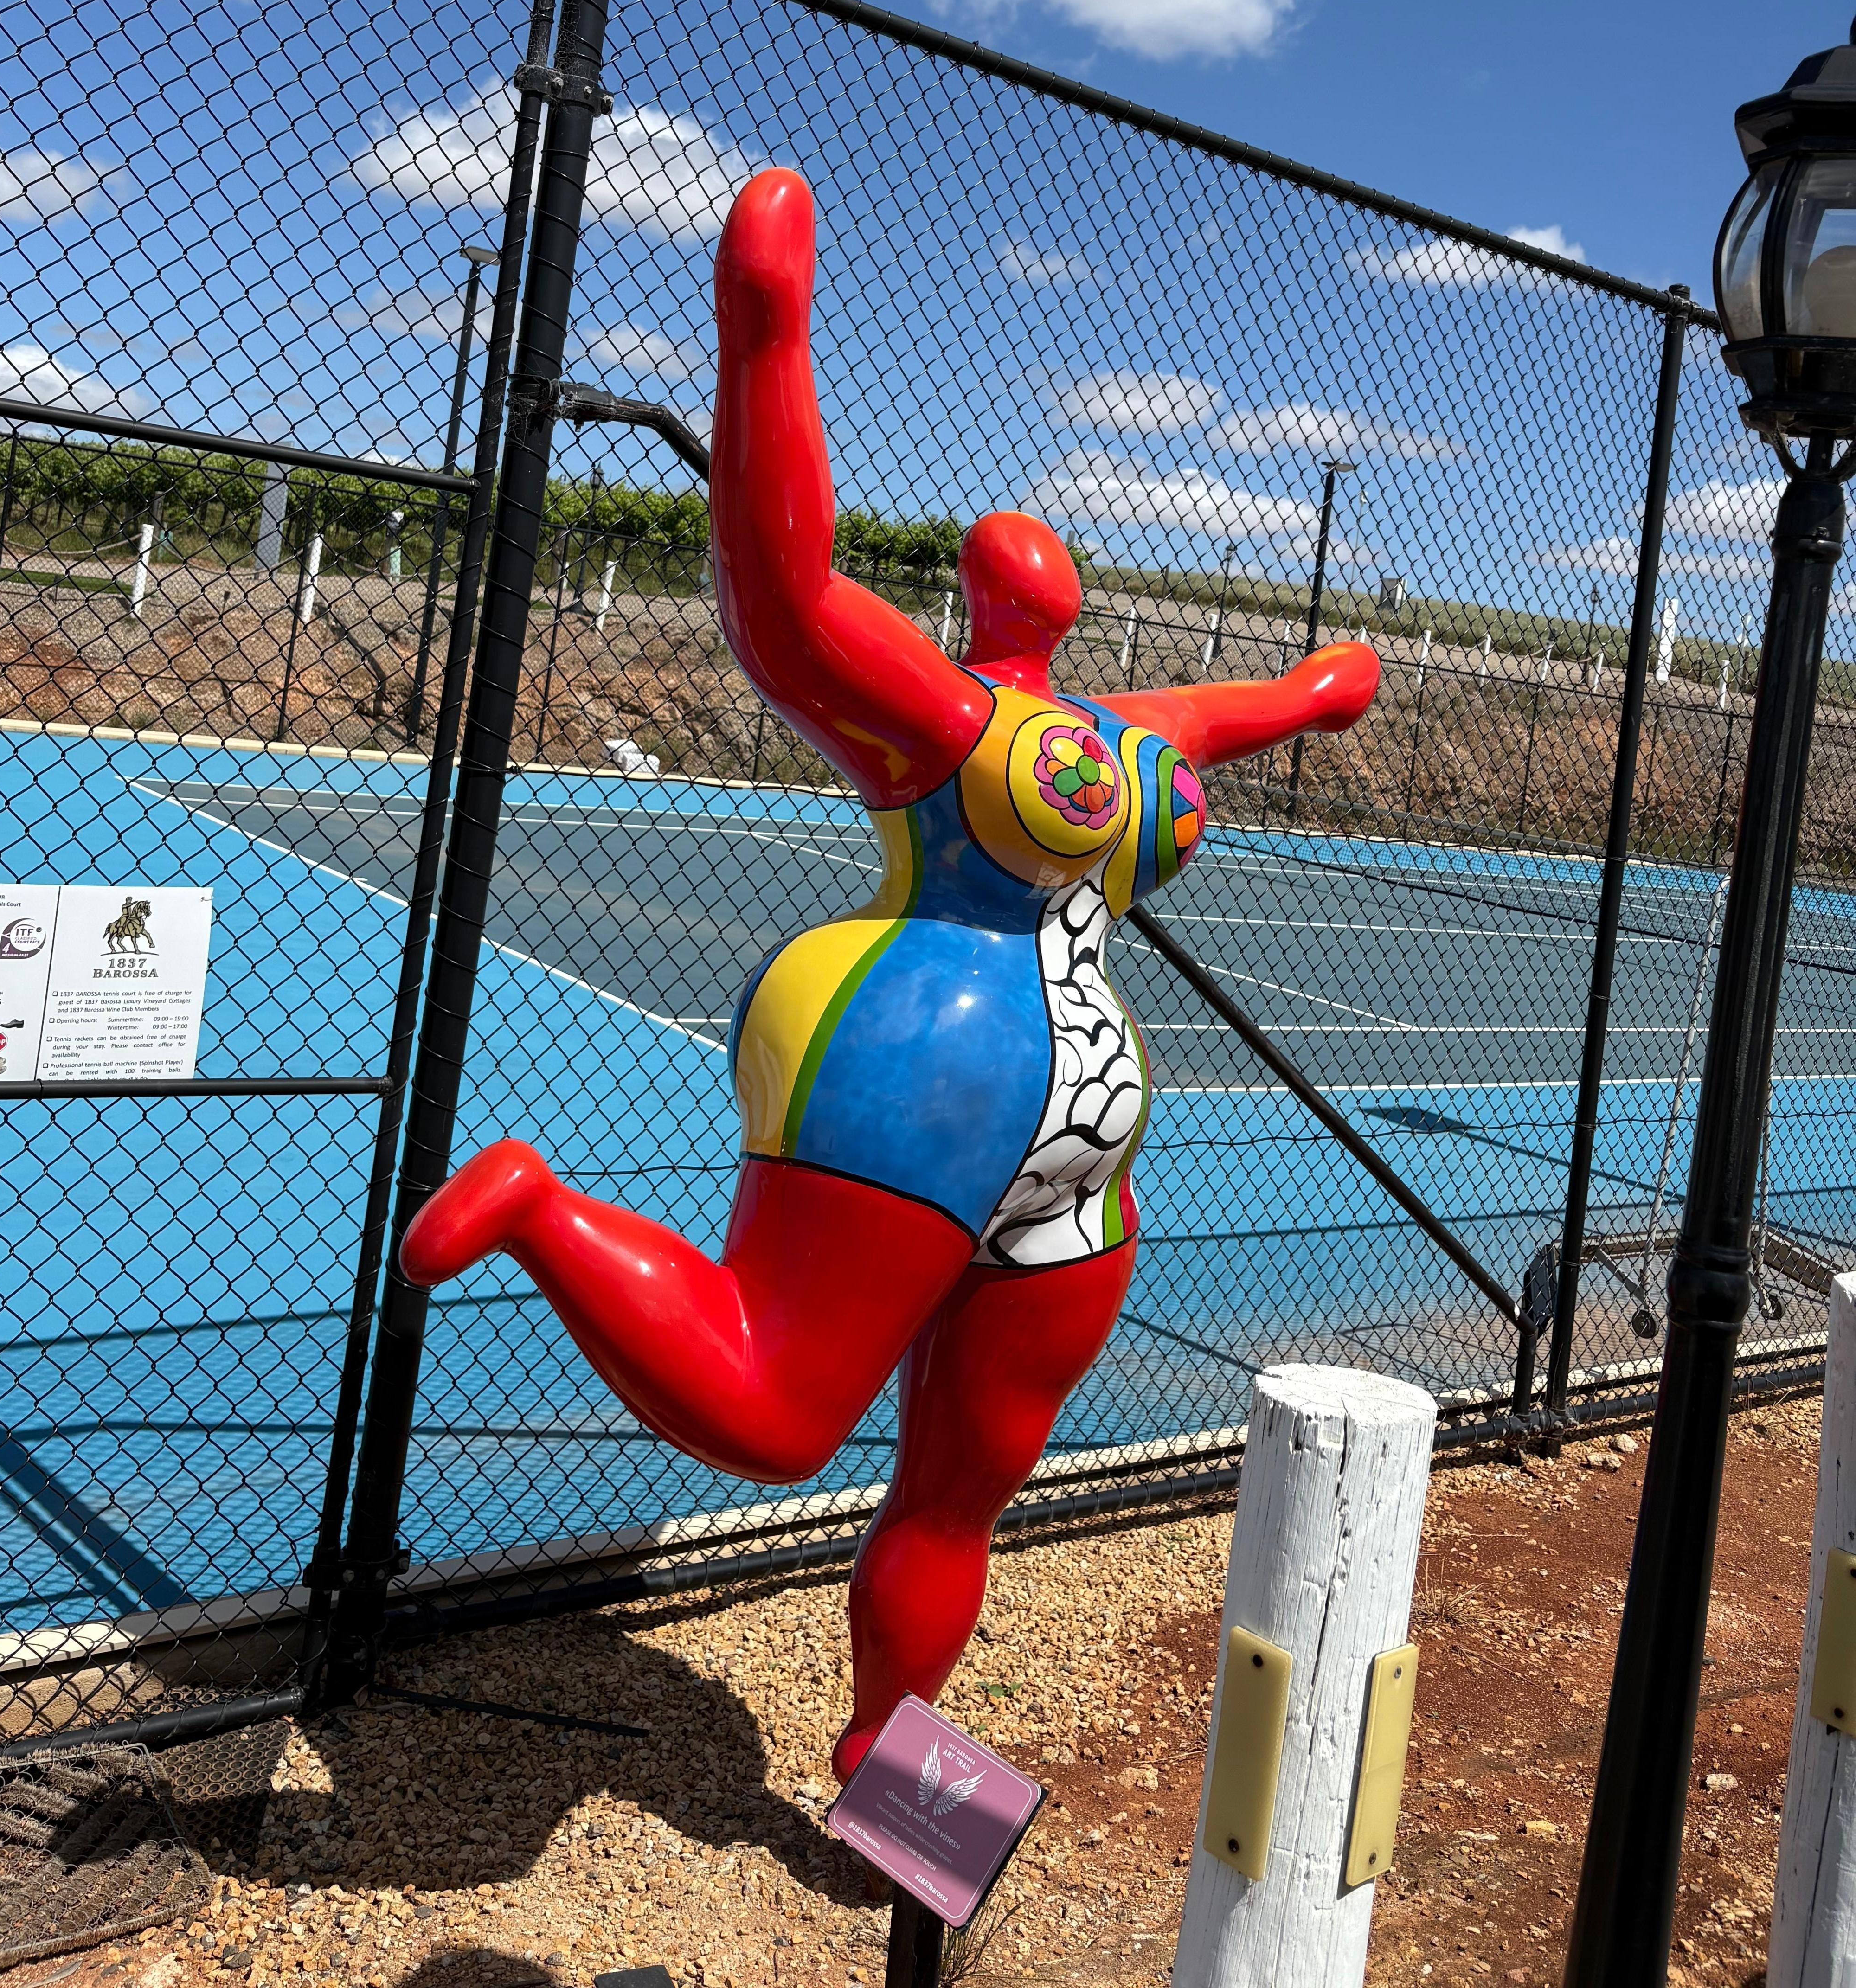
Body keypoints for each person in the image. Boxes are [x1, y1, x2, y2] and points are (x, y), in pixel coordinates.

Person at [401, 167, 1380, 1777]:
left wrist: (1324, 690)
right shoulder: (950, 720)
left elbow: (1249, 707)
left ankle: (884, 1746)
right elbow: (784, 601)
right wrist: (764, 335)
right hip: (928, 1068)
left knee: (959, 1491)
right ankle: (538, 1206)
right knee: (775, 1417)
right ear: (994, 596)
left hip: (1080, 1148)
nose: (1037, 566)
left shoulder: (1124, 734)